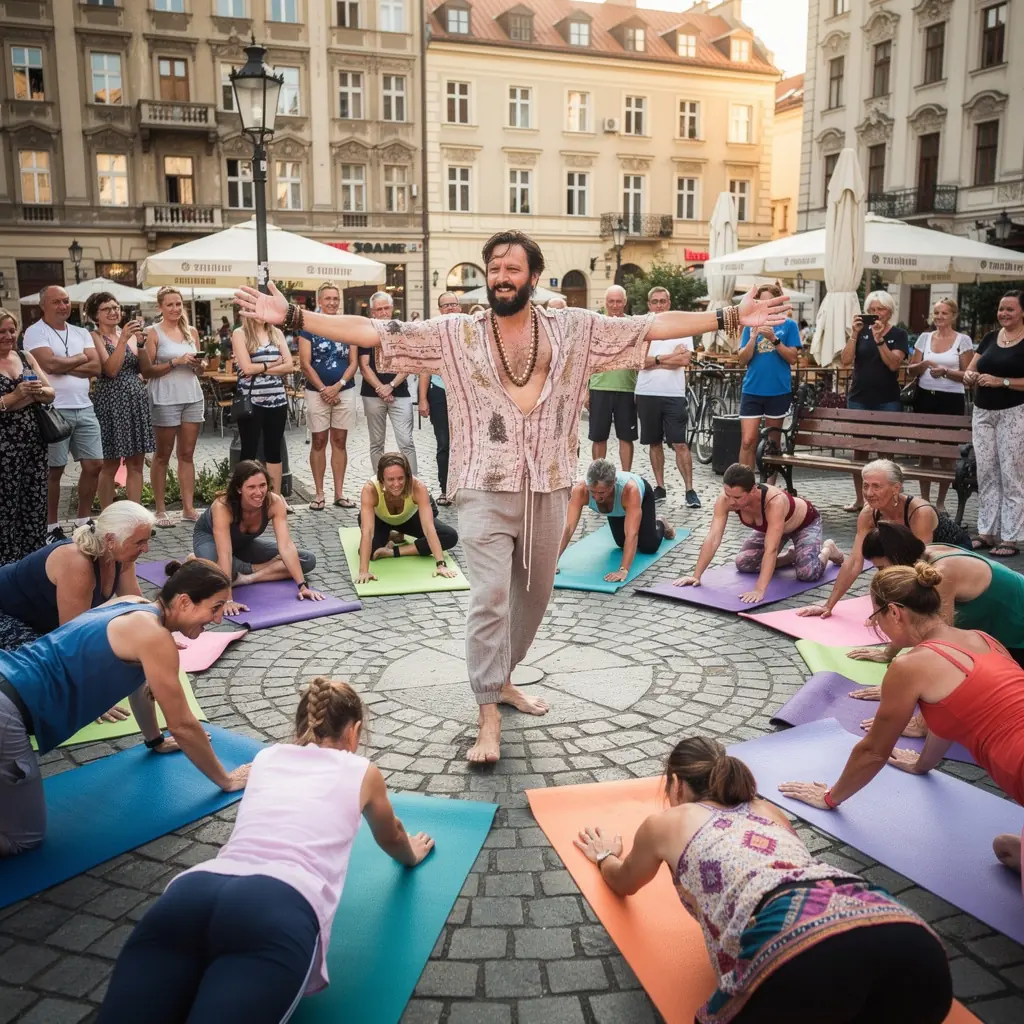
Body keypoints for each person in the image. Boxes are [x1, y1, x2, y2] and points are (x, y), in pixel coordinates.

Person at [233, 230, 790, 762]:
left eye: (512, 268)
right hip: (483, 484)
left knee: (535, 595)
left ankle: (502, 678)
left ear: (534, 277)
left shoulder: (574, 328)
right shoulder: (457, 332)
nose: (501, 276)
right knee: (490, 597)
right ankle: (487, 713)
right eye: (494, 268)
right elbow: (376, 331)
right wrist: (296, 318)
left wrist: (730, 316)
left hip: (548, 482)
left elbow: (650, 325)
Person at [96, 677, 433, 1022]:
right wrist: (412, 853)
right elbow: (391, 836)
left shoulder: (267, 757)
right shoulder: (362, 771)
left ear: (300, 726)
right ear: (355, 731)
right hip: (278, 905)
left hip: (192, 890)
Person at [577, 735, 952, 1024]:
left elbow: (623, 882)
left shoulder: (667, 822)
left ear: (676, 785)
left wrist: (605, 855)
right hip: (906, 935)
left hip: (799, 944)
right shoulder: (767, 809)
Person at [780, 562, 1024, 889]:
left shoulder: (910, 665)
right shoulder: (982, 639)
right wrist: (922, 765)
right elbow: (949, 717)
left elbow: (873, 750)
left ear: (894, 612)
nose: (874, 624)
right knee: (1005, 849)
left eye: (875, 616)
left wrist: (829, 797)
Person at [0, 558, 250, 856]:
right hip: (7, 709)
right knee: (24, 838)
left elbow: (137, 684)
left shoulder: (132, 603)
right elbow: (183, 724)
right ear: (184, 602)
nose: (219, 618)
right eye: (215, 607)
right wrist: (226, 780)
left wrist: (155, 740)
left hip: (6, 677)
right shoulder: (154, 636)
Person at [798, 459, 971, 620]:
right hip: (914, 557)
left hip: (953, 554)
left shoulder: (919, 512)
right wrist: (828, 605)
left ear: (896, 488)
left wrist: (889, 609)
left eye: (876, 486)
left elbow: (921, 564)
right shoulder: (868, 513)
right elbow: (854, 562)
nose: (869, 493)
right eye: (865, 486)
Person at [854, 522, 1024, 669]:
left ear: (897, 558)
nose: (881, 574)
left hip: (1016, 621)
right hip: (1001, 615)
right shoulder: (922, 559)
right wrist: (888, 653)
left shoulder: (942, 572)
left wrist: (903, 686)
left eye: (881, 568)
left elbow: (941, 640)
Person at [0, 499, 154, 657]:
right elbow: (73, 639)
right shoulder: (78, 563)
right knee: (47, 662)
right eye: (140, 542)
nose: (146, 549)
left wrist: (159, 630)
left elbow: (137, 608)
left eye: (147, 540)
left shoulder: (122, 556)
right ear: (110, 540)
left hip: (40, 621)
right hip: (6, 615)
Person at [672, 463, 843, 605]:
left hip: (804, 524)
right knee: (744, 562)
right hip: (774, 528)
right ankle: (791, 556)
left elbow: (771, 548)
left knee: (807, 573)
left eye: (737, 498)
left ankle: (828, 549)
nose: (731, 502)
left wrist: (759, 589)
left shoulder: (774, 501)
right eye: (728, 494)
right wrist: (696, 575)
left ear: (753, 490)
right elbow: (714, 537)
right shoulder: (726, 499)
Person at [21, 284, 103, 542]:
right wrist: (79, 359)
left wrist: (63, 364)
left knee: (94, 464)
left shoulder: (81, 332)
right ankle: (51, 527)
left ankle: (83, 521)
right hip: (53, 409)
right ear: (43, 305)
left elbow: (97, 367)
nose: (63, 306)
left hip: (85, 406)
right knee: (54, 470)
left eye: (66, 301)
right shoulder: (35, 332)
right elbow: (47, 364)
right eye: (56, 301)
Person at [192, 460, 320, 617]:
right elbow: (225, 552)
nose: (259, 492)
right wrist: (228, 599)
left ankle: (246, 578)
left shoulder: (274, 502)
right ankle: (198, 560)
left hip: (243, 543)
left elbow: (286, 546)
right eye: (251, 487)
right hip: (210, 539)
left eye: (262, 485)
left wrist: (303, 586)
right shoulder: (222, 506)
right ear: (239, 488)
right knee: (213, 573)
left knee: (306, 560)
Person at [963, 290, 1024, 558]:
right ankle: (986, 532)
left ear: (1022, 312)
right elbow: (972, 368)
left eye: (1010, 309)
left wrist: (1003, 382)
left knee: (1011, 475)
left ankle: (1010, 537)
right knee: (986, 473)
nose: (1004, 313)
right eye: (1001, 309)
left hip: (1014, 412)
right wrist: (969, 375)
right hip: (983, 412)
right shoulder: (990, 338)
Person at [840, 291, 910, 512]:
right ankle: (861, 499)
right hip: (859, 398)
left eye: (880, 309)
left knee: (886, 452)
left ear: (890, 311)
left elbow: (894, 364)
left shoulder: (899, 334)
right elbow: (845, 360)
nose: (876, 313)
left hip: (887, 399)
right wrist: (854, 334)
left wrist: (879, 340)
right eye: (871, 310)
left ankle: (888, 501)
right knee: (859, 450)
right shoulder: (860, 332)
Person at [558, 458, 676, 584]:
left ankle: (660, 521)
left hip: (641, 498)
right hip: (616, 508)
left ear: (613, 484)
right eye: (592, 491)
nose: (596, 497)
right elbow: (568, 527)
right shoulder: (580, 490)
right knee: (621, 543)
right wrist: (554, 562)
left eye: (601, 492)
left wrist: (623, 570)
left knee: (649, 546)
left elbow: (632, 534)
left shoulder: (630, 490)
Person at [87, 292, 155, 508]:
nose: (113, 312)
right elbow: (111, 370)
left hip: (135, 403)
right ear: (95, 315)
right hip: (111, 404)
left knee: (136, 463)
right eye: (106, 309)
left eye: (116, 307)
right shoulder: (95, 337)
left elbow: (145, 370)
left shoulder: (129, 335)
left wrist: (141, 344)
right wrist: (124, 339)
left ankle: (134, 514)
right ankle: (108, 515)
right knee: (110, 464)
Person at [143, 287, 204, 528]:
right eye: (170, 304)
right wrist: (175, 362)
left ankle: (188, 508)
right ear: (160, 307)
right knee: (162, 456)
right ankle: (160, 510)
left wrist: (198, 364)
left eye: (178, 304)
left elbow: (200, 370)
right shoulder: (153, 332)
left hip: (192, 396)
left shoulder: (191, 331)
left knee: (187, 454)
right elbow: (147, 370)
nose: (175, 308)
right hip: (165, 397)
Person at [906, 297, 973, 510]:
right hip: (925, 397)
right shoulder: (924, 338)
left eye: (944, 313)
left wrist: (946, 372)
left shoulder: (963, 340)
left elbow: (968, 375)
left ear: (953, 316)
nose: (939, 317)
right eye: (936, 313)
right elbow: (911, 369)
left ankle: (941, 502)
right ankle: (924, 500)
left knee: (946, 453)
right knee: (924, 451)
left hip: (951, 399)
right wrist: (924, 363)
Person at [638, 286, 700, 507]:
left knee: (680, 443)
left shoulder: (682, 328)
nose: (659, 305)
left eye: (662, 301)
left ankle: (690, 490)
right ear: (649, 305)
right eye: (655, 301)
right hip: (646, 393)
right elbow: (639, 362)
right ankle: (660, 487)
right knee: (654, 443)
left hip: (673, 394)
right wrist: (669, 357)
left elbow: (684, 360)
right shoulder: (643, 329)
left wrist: (655, 360)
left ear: (669, 303)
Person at [355, 453, 459, 584]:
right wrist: (363, 571)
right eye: (390, 479)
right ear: (381, 479)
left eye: (401, 478)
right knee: (371, 552)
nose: (396, 484)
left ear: (408, 476)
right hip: (380, 520)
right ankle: (392, 535)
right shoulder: (370, 489)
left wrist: (441, 565)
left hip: (409, 518)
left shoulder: (418, 487)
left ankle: (393, 550)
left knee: (449, 536)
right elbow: (367, 532)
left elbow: (428, 528)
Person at [299, 283, 358, 511]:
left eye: (335, 298)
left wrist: (338, 385)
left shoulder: (348, 325)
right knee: (319, 441)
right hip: (317, 392)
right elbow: (305, 364)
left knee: (340, 441)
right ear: (319, 301)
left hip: (345, 390)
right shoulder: (309, 325)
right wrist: (324, 389)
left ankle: (339, 493)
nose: (332, 302)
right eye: (328, 298)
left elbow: (353, 362)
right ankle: (319, 493)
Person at [0, 308, 52, 564]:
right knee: (6, 506)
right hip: (4, 447)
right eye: (2, 331)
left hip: (33, 443)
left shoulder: (24, 356)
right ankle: (6, 565)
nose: (8, 336)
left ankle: (33, 561)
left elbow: (50, 393)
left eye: (12, 330)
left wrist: (33, 394)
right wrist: (15, 396)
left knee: (34, 502)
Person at [737, 281, 801, 474]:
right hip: (752, 390)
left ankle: (769, 485)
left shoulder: (789, 325)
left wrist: (774, 339)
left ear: (777, 303)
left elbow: (792, 358)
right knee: (747, 440)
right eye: (761, 302)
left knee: (773, 443)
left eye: (769, 302)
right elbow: (742, 360)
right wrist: (752, 338)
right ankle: (744, 483)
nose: (765, 306)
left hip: (778, 391)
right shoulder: (749, 325)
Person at [231, 317, 294, 498]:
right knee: (249, 450)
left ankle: (275, 497)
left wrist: (259, 368)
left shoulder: (276, 333)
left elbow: (289, 366)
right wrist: (274, 364)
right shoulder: (240, 333)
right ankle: (245, 498)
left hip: (277, 400)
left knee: (274, 450)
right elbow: (246, 369)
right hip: (251, 401)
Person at [360, 291, 417, 476]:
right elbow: (364, 366)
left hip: (400, 393)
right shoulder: (367, 333)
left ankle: (413, 483)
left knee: (406, 442)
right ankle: (380, 484)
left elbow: (408, 363)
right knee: (376, 443)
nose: (384, 312)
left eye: (386, 308)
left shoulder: (402, 331)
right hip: (372, 394)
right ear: (373, 312)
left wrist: (390, 386)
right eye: (379, 309)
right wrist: (381, 388)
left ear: (392, 309)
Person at [588, 284, 637, 471]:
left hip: (626, 387)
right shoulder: (596, 324)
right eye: (611, 301)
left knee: (626, 437)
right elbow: (587, 358)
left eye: (618, 301)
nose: (615, 305)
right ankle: (598, 476)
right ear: (605, 302)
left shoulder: (634, 324)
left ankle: (626, 476)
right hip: (599, 387)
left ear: (625, 302)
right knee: (598, 436)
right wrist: (585, 391)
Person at [417, 291, 459, 506]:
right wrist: (423, 399)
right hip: (439, 393)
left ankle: (463, 489)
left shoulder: (467, 331)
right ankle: (445, 489)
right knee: (444, 443)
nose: (450, 308)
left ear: (459, 307)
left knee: (465, 443)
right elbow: (425, 369)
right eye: (446, 305)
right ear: (440, 310)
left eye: (453, 304)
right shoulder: (433, 334)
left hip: (462, 394)